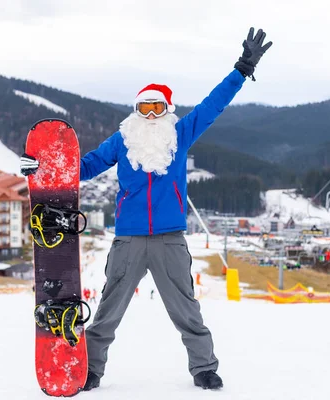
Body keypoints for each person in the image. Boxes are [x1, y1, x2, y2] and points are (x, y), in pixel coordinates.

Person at [77, 27, 272, 392]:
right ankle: (90, 370)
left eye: (157, 108)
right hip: (129, 241)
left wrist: (242, 69)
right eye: (143, 108)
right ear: (135, 111)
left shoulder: (179, 135)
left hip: (169, 239)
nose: (150, 115)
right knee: (108, 311)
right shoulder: (122, 141)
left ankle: (203, 368)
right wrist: (50, 165)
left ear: (167, 111)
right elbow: (86, 166)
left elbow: (212, 105)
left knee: (186, 308)